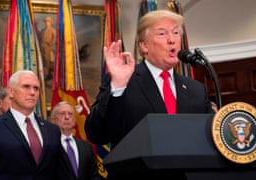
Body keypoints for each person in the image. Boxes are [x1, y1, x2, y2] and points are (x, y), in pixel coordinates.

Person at [85, 10, 215, 149]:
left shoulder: (197, 90)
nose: (172, 40)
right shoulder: (123, 82)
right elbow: (97, 134)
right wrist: (118, 87)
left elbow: (210, 138)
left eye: (176, 33)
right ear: (144, 45)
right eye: (162, 33)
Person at [0, 70, 65, 179]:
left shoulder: (52, 131)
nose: (32, 92)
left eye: (36, 88)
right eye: (26, 87)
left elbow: (62, 173)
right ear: (11, 92)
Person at [50, 101, 100, 180]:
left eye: (70, 114)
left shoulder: (86, 147)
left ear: (74, 121)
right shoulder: (48, 146)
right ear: (53, 119)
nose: (67, 117)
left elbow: (94, 175)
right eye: (62, 114)